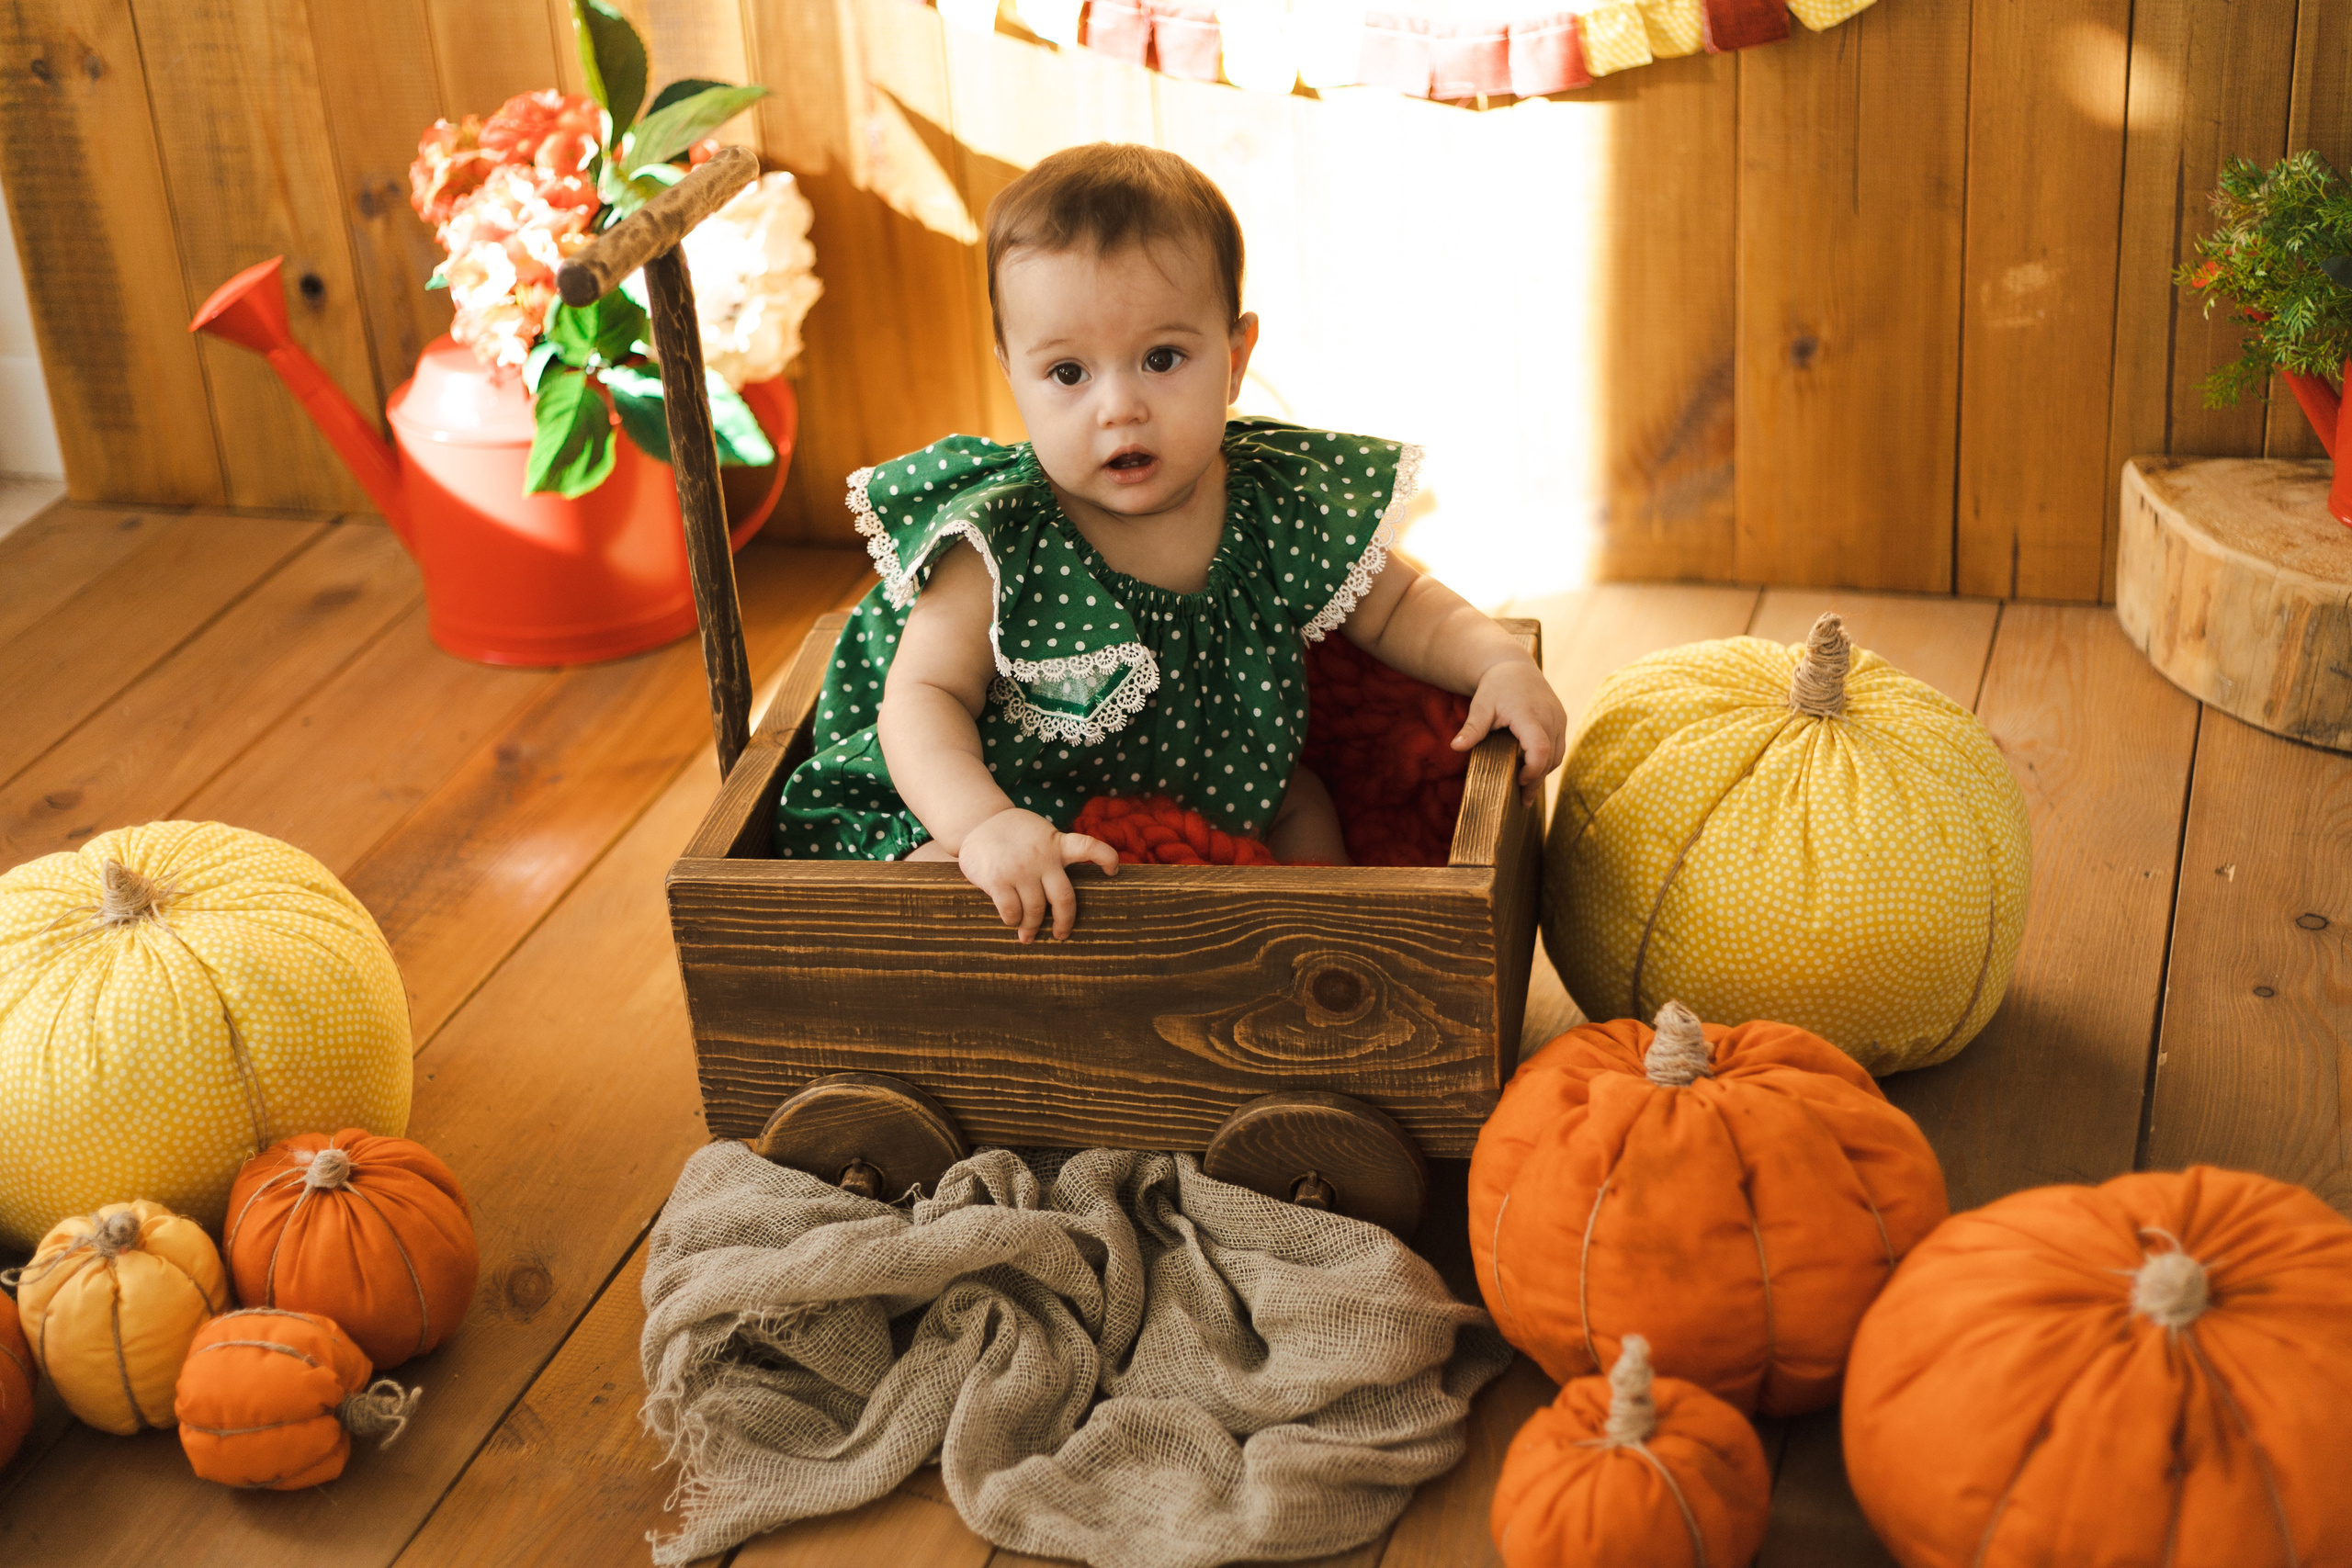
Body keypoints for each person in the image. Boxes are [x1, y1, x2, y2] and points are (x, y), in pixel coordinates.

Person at [775, 142, 1565, 942]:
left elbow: (1398, 605)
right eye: (1069, 374)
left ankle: (1321, 952)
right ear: (1012, 374)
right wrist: (982, 825)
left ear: (1235, 357)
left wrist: (1495, 660)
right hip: (1019, 816)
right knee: (935, 878)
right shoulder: (1003, 540)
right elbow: (923, 698)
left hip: (1215, 795)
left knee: (1307, 803)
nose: (1119, 406)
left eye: (1161, 359)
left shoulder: (1269, 499)